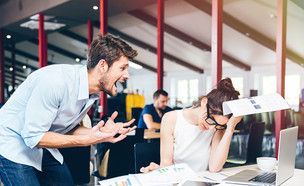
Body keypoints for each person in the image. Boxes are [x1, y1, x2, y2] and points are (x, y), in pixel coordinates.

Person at [0, 34, 138, 186]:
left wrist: (99, 133)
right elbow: (33, 136)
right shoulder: (55, 82)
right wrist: (85, 140)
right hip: (12, 142)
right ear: (103, 65)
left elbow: (66, 129)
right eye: (122, 68)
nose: (127, 75)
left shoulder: (91, 92)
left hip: (41, 143)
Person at [140, 78, 243, 173]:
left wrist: (230, 128)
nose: (212, 128)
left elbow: (214, 167)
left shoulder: (219, 127)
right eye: (211, 120)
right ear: (204, 102)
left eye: (218, 126)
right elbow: (166, 164)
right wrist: (158, 171)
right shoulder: (171, 118)